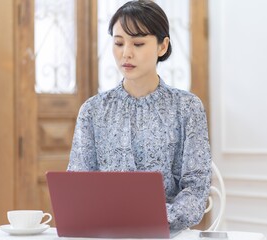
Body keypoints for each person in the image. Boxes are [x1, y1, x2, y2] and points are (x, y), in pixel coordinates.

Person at [67, 0, 212, 231]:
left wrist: (154, 217)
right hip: (105, 233)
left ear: (162, 46)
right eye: (118, 43)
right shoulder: (92, 111)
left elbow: (196, 190)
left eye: (138, 43)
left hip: (167, 233)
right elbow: (76, 187)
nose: (126, 53)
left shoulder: (187, 108)